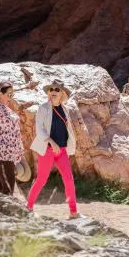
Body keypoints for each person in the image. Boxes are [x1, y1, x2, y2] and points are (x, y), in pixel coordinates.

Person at [26, 79, 80, 219]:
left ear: (62, 93)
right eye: (51, 89)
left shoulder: (65, 109)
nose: (54, 92)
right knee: (41, 180)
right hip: (47, 150)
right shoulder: (43, 108)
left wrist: (67, 145)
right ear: (48, 93)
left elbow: (67, 129)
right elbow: (39, 128)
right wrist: (51, 142)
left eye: (57, 89)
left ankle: (73, 212)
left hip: (62, 151)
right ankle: (28, 208)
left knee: (69, 179)